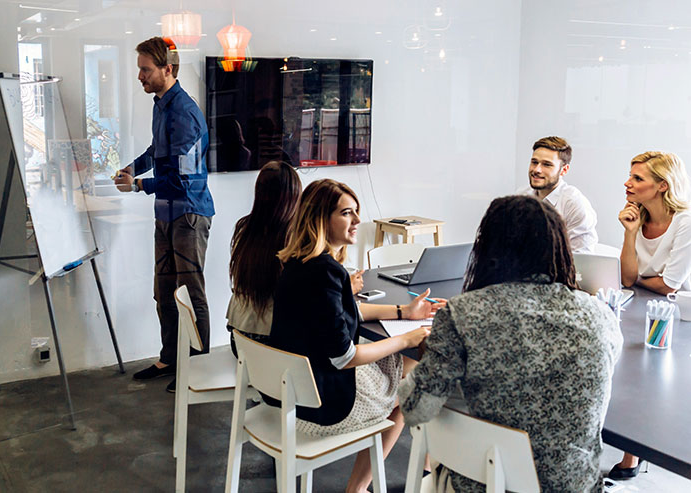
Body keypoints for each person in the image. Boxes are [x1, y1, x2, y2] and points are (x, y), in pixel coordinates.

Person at [399, 195, 623, 492]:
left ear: (487, 248)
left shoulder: (463, 313)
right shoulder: (601, 316)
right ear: (560, 248)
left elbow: (415, 409)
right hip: (574, 486)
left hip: (489, 482)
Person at [266, 178, 444, 493]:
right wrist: (409, 338)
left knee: (405, 366)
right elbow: (346, 357)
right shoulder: (326, 273)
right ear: (321, 219)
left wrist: (404, 312)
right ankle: (366, 486)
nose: (358, 221)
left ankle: (379, 481)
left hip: (292, 392)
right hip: (324, 402)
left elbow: (344, 314)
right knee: (415, 379)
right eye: (347, 213)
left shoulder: (299, 264)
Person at [114, 37, 215, 393]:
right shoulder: (161, 105)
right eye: (140, 68)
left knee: (191, 294)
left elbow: (183, 177)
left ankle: (199, 367)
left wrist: (139, 186)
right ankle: (170, 357)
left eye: (145, 69)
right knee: (164, 290)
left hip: (188, 213)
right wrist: (133, 167)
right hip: (166, 212)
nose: (139, 76)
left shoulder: (185, 114)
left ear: (167, 69)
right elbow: (157, 150)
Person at [610, 151, 691, 480]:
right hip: (644, 303)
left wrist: (642, 280)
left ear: (662, 186)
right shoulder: (636, 216)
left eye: (637, 179)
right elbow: (628, 278)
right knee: (625, 359)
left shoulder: (685, 222)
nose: (628, 183)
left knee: (648, 372)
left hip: (681, 313)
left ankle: (634, 454)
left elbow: (670, 284)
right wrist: (630, 234)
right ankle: (632, 449)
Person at [226, 161, 301, 356]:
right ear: (294, 196)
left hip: (240, 342)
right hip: (274, 348)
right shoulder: (294, 238)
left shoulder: (244, 228)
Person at [519, 136, 598, 252]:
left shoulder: (574, 204)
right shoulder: (522, 196)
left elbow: (581, 259)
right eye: (534, 162)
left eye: (547, 164)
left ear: (564, 170)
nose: (537, 170)